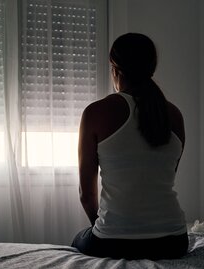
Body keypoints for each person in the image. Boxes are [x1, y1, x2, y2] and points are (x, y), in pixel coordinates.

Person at [71, 33, 188, 260]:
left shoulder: (96, 112)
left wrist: (106, 228)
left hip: (114, 243)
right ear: (151, 67)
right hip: (174, 242)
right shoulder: (174, 115)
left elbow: (86, 195)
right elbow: (162, 179)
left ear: (114, 68)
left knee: (78, 239)